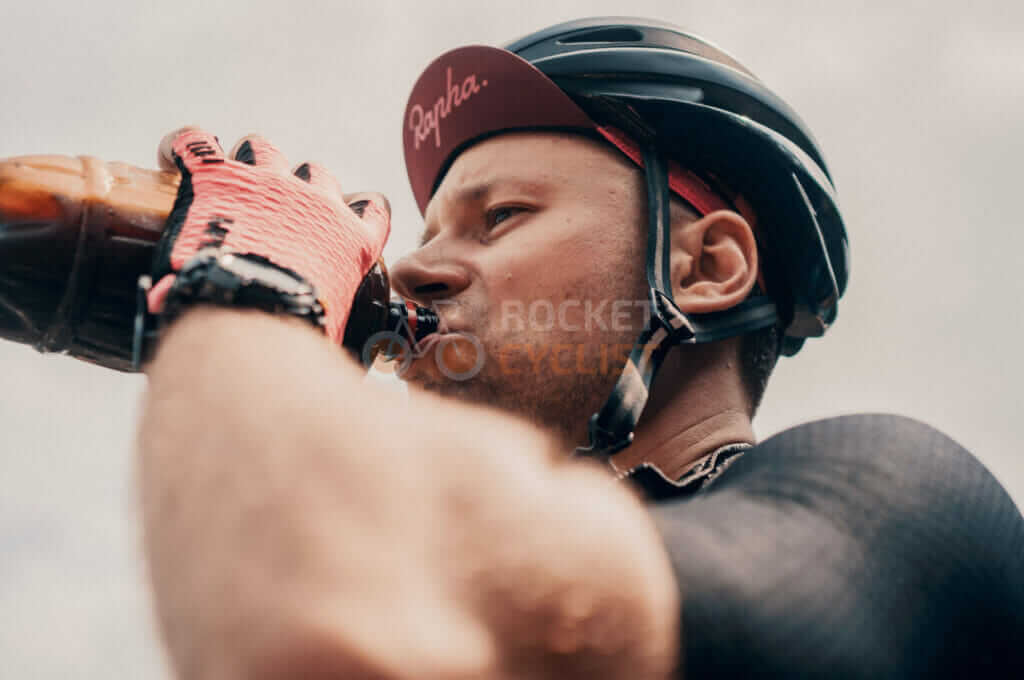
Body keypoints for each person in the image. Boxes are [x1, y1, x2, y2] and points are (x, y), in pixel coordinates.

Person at [136, 17, 1024, 679]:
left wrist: (249, 290)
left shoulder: (904, 505)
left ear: (710, 266)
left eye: (502, 217)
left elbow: (332, 628)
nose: (407, 269)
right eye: (429, 232)